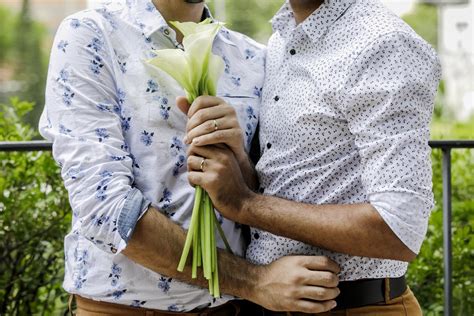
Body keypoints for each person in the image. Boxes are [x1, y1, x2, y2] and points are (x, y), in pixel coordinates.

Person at [39, 0, 342, 315]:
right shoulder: (90, 34)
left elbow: (260, 195)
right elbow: (103, 209)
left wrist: (239, 158)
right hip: (125, 308)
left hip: (234, 309)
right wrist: (253, 281)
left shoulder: (252, 57)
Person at [184, 0, 441, 314]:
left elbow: (398, 228)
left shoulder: (383, 42)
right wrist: (237, 158)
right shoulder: (281, 39)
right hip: (269, 302)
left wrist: (244, 204)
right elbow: (291, 182)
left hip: (356, 306)